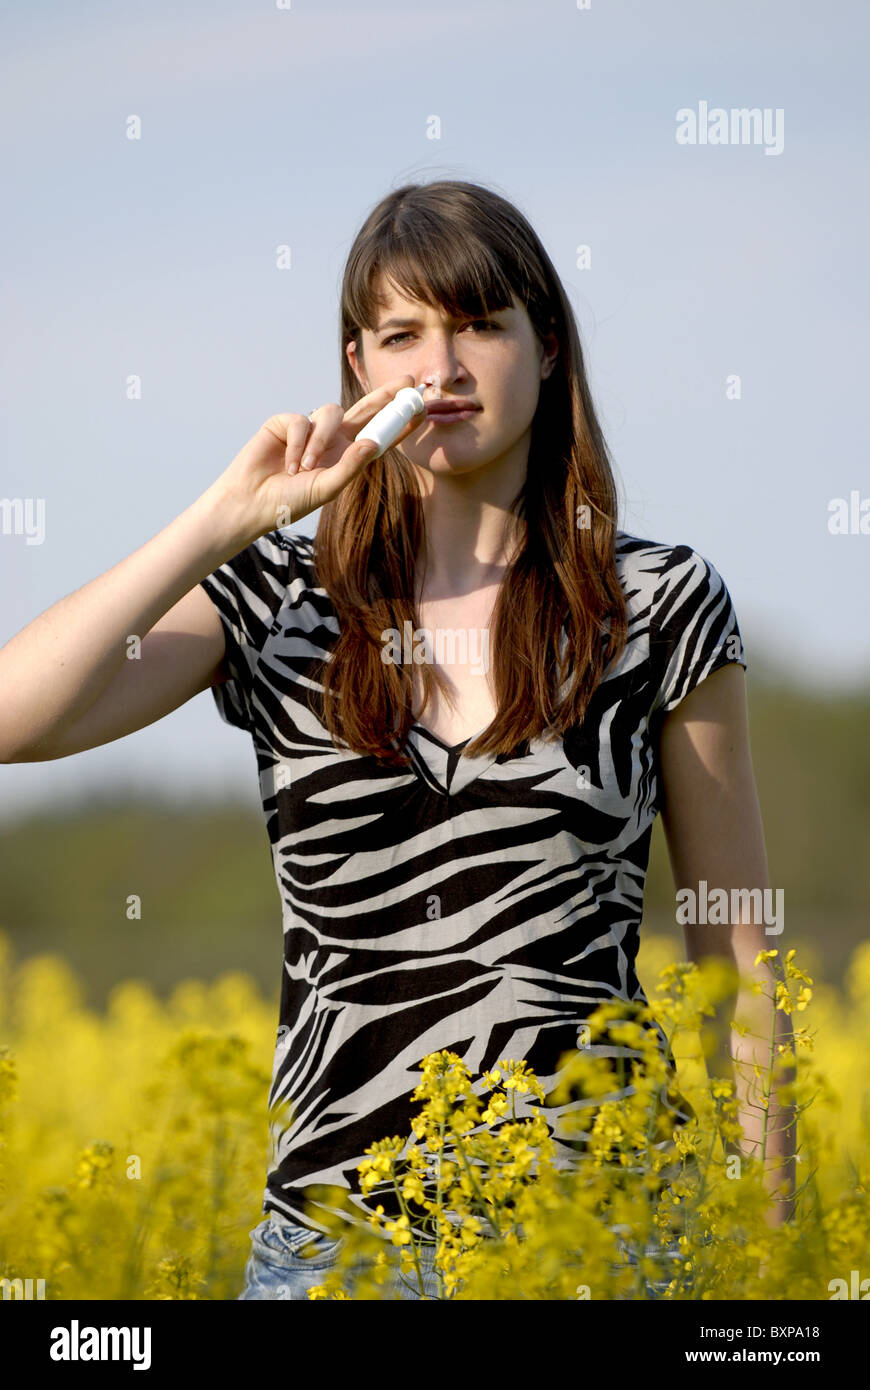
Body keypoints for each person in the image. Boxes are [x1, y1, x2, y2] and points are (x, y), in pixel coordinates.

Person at [0, 179, 786, 1302]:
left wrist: (772, 1282)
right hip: (331, 1253)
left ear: (550, 347)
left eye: (480, 325)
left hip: (602, 1248)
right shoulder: (273, 599)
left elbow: (740, 967)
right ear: (356, 367)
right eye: (402, 334)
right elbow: (12, 718)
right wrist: (221, 519)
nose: (443, 369)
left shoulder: (657, 603)